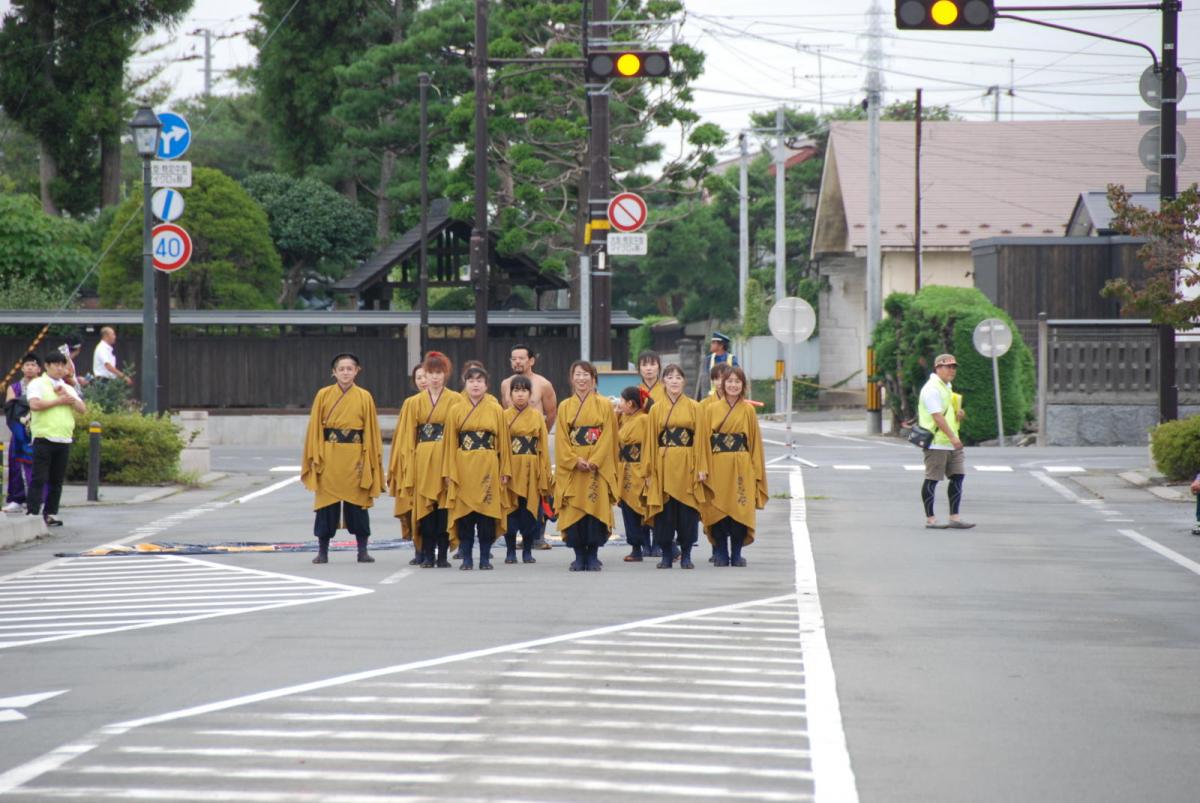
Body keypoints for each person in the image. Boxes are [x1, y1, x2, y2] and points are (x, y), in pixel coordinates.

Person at [300, 353, 385, 564]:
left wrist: (369, 457)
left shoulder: (365, 396)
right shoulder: (323, 395)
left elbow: (371, 430)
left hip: (355, 455)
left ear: (357, 371)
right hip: (329, 453)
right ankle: (322, 550)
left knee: (358, 503)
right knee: (326, 505)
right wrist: (316, 455)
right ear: (334, 372)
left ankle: (362, 549)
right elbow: (315, 428)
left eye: (350, 368)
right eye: (341, 369)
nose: (346, 372)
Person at [395, 351, 464, 568]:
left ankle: (442, 554)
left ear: (446, 374)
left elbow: (461, 432)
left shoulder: (456, 400)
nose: (434, 377)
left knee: (444, 507)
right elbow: (408, 436)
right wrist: (408, 463)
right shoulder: (413, 403)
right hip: (422, 457)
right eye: (430, 373)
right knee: (424, 505)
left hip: (446, 456)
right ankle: (425, 553)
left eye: (439, 373)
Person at [444, 365, 511, 570]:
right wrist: (448, 472)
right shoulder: (455, 409)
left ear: (486, 385)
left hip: (488, 463)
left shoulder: (496, 409)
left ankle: (484, 557)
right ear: (465, 384)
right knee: (465, 515)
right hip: (463, 465)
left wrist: (505, 470)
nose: (475, 384)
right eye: (471, 380)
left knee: (486, 515)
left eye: (479, 381)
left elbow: (504, 443)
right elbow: (449, 443)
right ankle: (466, 557)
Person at [554, 360, 619, 571]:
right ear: (571, 378)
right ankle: (578, 554)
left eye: (586, 375)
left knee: (595, 507)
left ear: (593, 379)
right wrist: (574, 460)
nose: (582, 379)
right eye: (578, 374)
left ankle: (593, 554)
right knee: (573, 508)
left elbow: (609, 435)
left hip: (596, 465)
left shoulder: (605, 405)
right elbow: (562, 438)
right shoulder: (565, 406)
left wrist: (596, 460)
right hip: (574, 465)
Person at [701, 367, 767, 567]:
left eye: (737, 381)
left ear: (743, 385)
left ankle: (736, 552)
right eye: (729, 381)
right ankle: (720, 551)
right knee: (718, 508)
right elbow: (703, 442)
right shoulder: (711, 409)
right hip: (717, 463)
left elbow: (754, 442)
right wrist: (703, 467)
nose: (733, 385)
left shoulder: (748, 410)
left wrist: (756, 470)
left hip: (741, 464)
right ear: (722, 384)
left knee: (740, 507)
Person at [647, 363, 710, 569]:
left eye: (678, 377)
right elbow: (650, 441)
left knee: (687, 510)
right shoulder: (656, 408)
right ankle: (666, 553)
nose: (674, 381)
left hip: (687, 462)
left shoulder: (695, 407)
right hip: (663, 463)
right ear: (663, 381)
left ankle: (687, 554)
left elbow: (701, 439)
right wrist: (649, 470)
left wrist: (702, 467)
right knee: (665, 511)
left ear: (684, 382)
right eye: (670, 377)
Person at [500, 344, 558, 551]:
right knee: (513, 493)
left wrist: (539, 435)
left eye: (521, 358)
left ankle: (537, 536)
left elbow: (551, 412)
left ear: (531, 360)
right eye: (514, 358)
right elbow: (504, 415)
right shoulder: (506, 384)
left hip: (535, 444)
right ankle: (513, 535)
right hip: (512, 448)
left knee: (538, 489)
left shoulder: (543, 384)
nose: (517, 362)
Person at [25, 351, 86, 527]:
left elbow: (82, 409)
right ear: (47, 366)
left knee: (57, 480)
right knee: (39, 478)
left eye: (62, 365)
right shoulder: (38, 384)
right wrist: (58, 401)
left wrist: (70, 400)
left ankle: (51, 513)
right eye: (56, 365)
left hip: (64, 439)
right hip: (44, 437)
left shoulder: (67, 387)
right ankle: (33, 513)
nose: (60, 369)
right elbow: (35, 404)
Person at [918, 353, 974, 530]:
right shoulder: (932, 389)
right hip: (936, 442)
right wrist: (952, 437)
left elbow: (946, 414)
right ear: (938, 368)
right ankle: (931, 519)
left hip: (950, 441)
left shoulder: (946, 387)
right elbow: (936, 417)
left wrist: (959, 415)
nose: (952, 370)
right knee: (932, 479)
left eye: (954, 367)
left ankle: (954, 517)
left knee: (958, 476)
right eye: (948, 367)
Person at [503, 375, 551, 565]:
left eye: (524, 390)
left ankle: (528, 550)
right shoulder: (503, 416)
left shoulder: (537, 416)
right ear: (510, 394)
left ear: (530, 394)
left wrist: (544, 470)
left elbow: (543, 446)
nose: (520, 394)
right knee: (510, 511)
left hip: (531, 467)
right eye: (516, 390)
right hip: (511, 467)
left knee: (530, 512)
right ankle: (510, 551)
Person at [388, 364, 428, 565]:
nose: (423, 380)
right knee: (413, 507)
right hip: (414, 460)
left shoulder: (451, 402)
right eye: (418, 377)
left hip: (436, 461)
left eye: (426, 376)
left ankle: (439, 550)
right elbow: (402, 437)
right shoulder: (410, 403)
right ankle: (419, 550)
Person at [617, 386, 653, 562]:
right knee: (629, 510)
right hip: (625, 468)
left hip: (638, 467)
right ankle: (636, 547)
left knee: (642, 509)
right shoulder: (625, 418)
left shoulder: (644, 420)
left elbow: (648, 445)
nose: (619, 403)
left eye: (622, 400)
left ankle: (667, 545)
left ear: (630, 403)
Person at [4, 353, 42, 513]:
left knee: (38, 466)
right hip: (19, 431)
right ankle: (16, 499)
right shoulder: (14, 387)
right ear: (22, 368)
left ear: (39, 369)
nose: (30, 368)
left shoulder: (43, 385)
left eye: (33, 365)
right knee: (15, 464)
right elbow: (11, 406)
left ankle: (38, 499)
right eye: (27, 365)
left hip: (39, 430)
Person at [697, 332, 738, 399]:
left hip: (729, 396)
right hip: (713, 397)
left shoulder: (732, 359)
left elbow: (737, 377)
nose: (711, 345)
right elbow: (705, 381)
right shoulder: (708, 359)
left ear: (721, 345)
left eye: (713, 343)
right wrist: (705, 397)